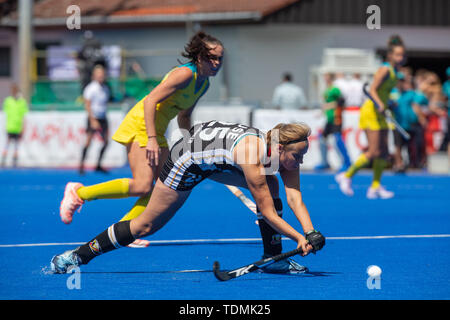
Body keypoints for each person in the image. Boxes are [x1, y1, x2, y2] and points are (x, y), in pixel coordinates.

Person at [50, 120, 325, 274]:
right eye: (297, 156)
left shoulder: (280, 152)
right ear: (279, 147)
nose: (300, 162)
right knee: (146, 225)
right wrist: (299, 239)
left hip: (216, 157)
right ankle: (76, 256)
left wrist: (310, 231)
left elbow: (294, 197)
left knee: (274, 184)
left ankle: (273, 257)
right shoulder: (253, 155)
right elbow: (267, 211)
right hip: (187, 161)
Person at [59, 31, 224, 249]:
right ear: (199, 58)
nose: (216, 63)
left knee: (160, 187)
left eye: (220, 59)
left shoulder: (203, 84)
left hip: (157, 130)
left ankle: (123, 231)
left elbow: (184, 115)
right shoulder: (184, 75)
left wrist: (190, 143)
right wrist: (153, 139)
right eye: (212, 58)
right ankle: (79, 193)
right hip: (142, 126)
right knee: (142, 185)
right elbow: (150, 101)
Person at [335, 35, 406, 199]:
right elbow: (372, 89)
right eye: (397, 55)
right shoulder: (385, 69)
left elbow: (384, 92)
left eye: (402, 55)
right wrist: (381, 103)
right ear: (390, 56)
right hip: (371, 112)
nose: (400, 58)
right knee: (374, 151)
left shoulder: (395, 72)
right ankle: (346, 176)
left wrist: (389, 102)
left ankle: (375, 187)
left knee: (383, 152)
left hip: (381, 111)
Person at [315, 73, 351, 171]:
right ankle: (325, 162)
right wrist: (322, 111)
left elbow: (341, 102)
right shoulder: (327, 90)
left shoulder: (335, 89)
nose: (325, 79)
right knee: (322, 138)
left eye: (327, 77)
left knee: (338, 139)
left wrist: (329, 106)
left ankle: (347, 162)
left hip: (336, 117)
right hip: (329, 119)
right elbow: (326, 104)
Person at [79, 65, 110, 175]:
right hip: (94, 116)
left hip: (103, 117)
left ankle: (98, 165)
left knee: (106, 142)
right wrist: (92, 119)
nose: (101, 76)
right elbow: (87, 104)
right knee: (88, 141)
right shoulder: (91, 88)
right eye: (99, 74)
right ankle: (81, 166)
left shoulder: (105, 88)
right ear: (94, 75)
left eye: (102, 74)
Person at [391, 72, 417, 172]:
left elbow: (419, 101)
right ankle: (398, 163)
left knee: (408, 145)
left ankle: (408, 162)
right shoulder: (392, 93)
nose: (400, 83)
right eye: (398, 80)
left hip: (407, 124)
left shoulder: (409, 93)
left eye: (402, 81)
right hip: (397, 124)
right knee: (398, 145)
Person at [1, 84, 28, 167]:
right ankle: (4, 159)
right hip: (10, 126)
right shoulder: (8, 101)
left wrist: (23, 127)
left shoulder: (22, 102)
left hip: (18, 127)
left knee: (16, 144)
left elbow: (24, 116)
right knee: (8, 142)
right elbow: (5, 114)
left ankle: (14, 160)